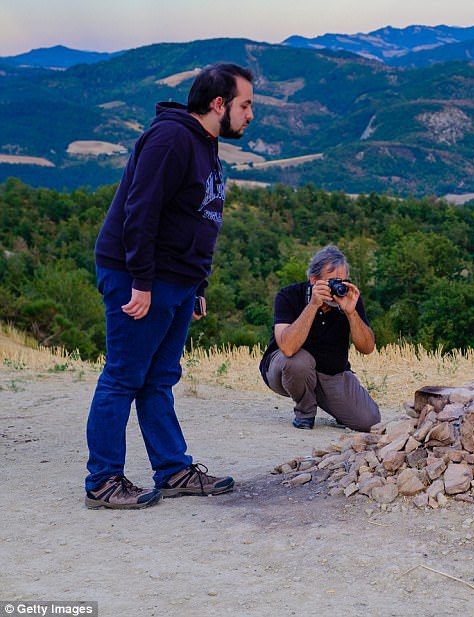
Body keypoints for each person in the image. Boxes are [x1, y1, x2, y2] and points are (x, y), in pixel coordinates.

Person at [84, 62, 255, 510]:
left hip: (177, 280)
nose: (249, 114)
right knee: (123, 376)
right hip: (139, 275)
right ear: (219, 104)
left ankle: (173, 469)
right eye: (245, 104)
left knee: (159, 378)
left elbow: (197, 220)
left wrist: (199, 286)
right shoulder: (172, 137)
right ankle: (102, 482)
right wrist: (140, 282)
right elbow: (140, 211)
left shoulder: (205, 144)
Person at [259, 245, 381, 432]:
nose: (337, 288)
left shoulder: (349, 299)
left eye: (342, 281)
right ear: (313, 280)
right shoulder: (289, 295)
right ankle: (305, 413)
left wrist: (351, 313)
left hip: (330, 373)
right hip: (284, 370)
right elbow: (288, 348)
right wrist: (313, 305)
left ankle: (333, 406)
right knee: (298, 362)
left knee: (370, 421)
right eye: (331, 282)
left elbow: (367, 348)